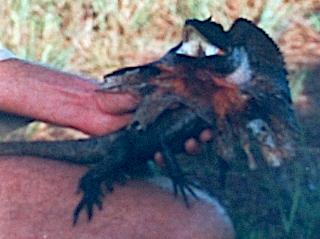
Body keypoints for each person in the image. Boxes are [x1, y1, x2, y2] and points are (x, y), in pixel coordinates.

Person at [0, 49, 234, 239]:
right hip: (124, 144)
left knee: (199, 224)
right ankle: (91, 181)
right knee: (198, 222)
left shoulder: (209, 105)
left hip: (130, 138)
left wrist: (88, 102)